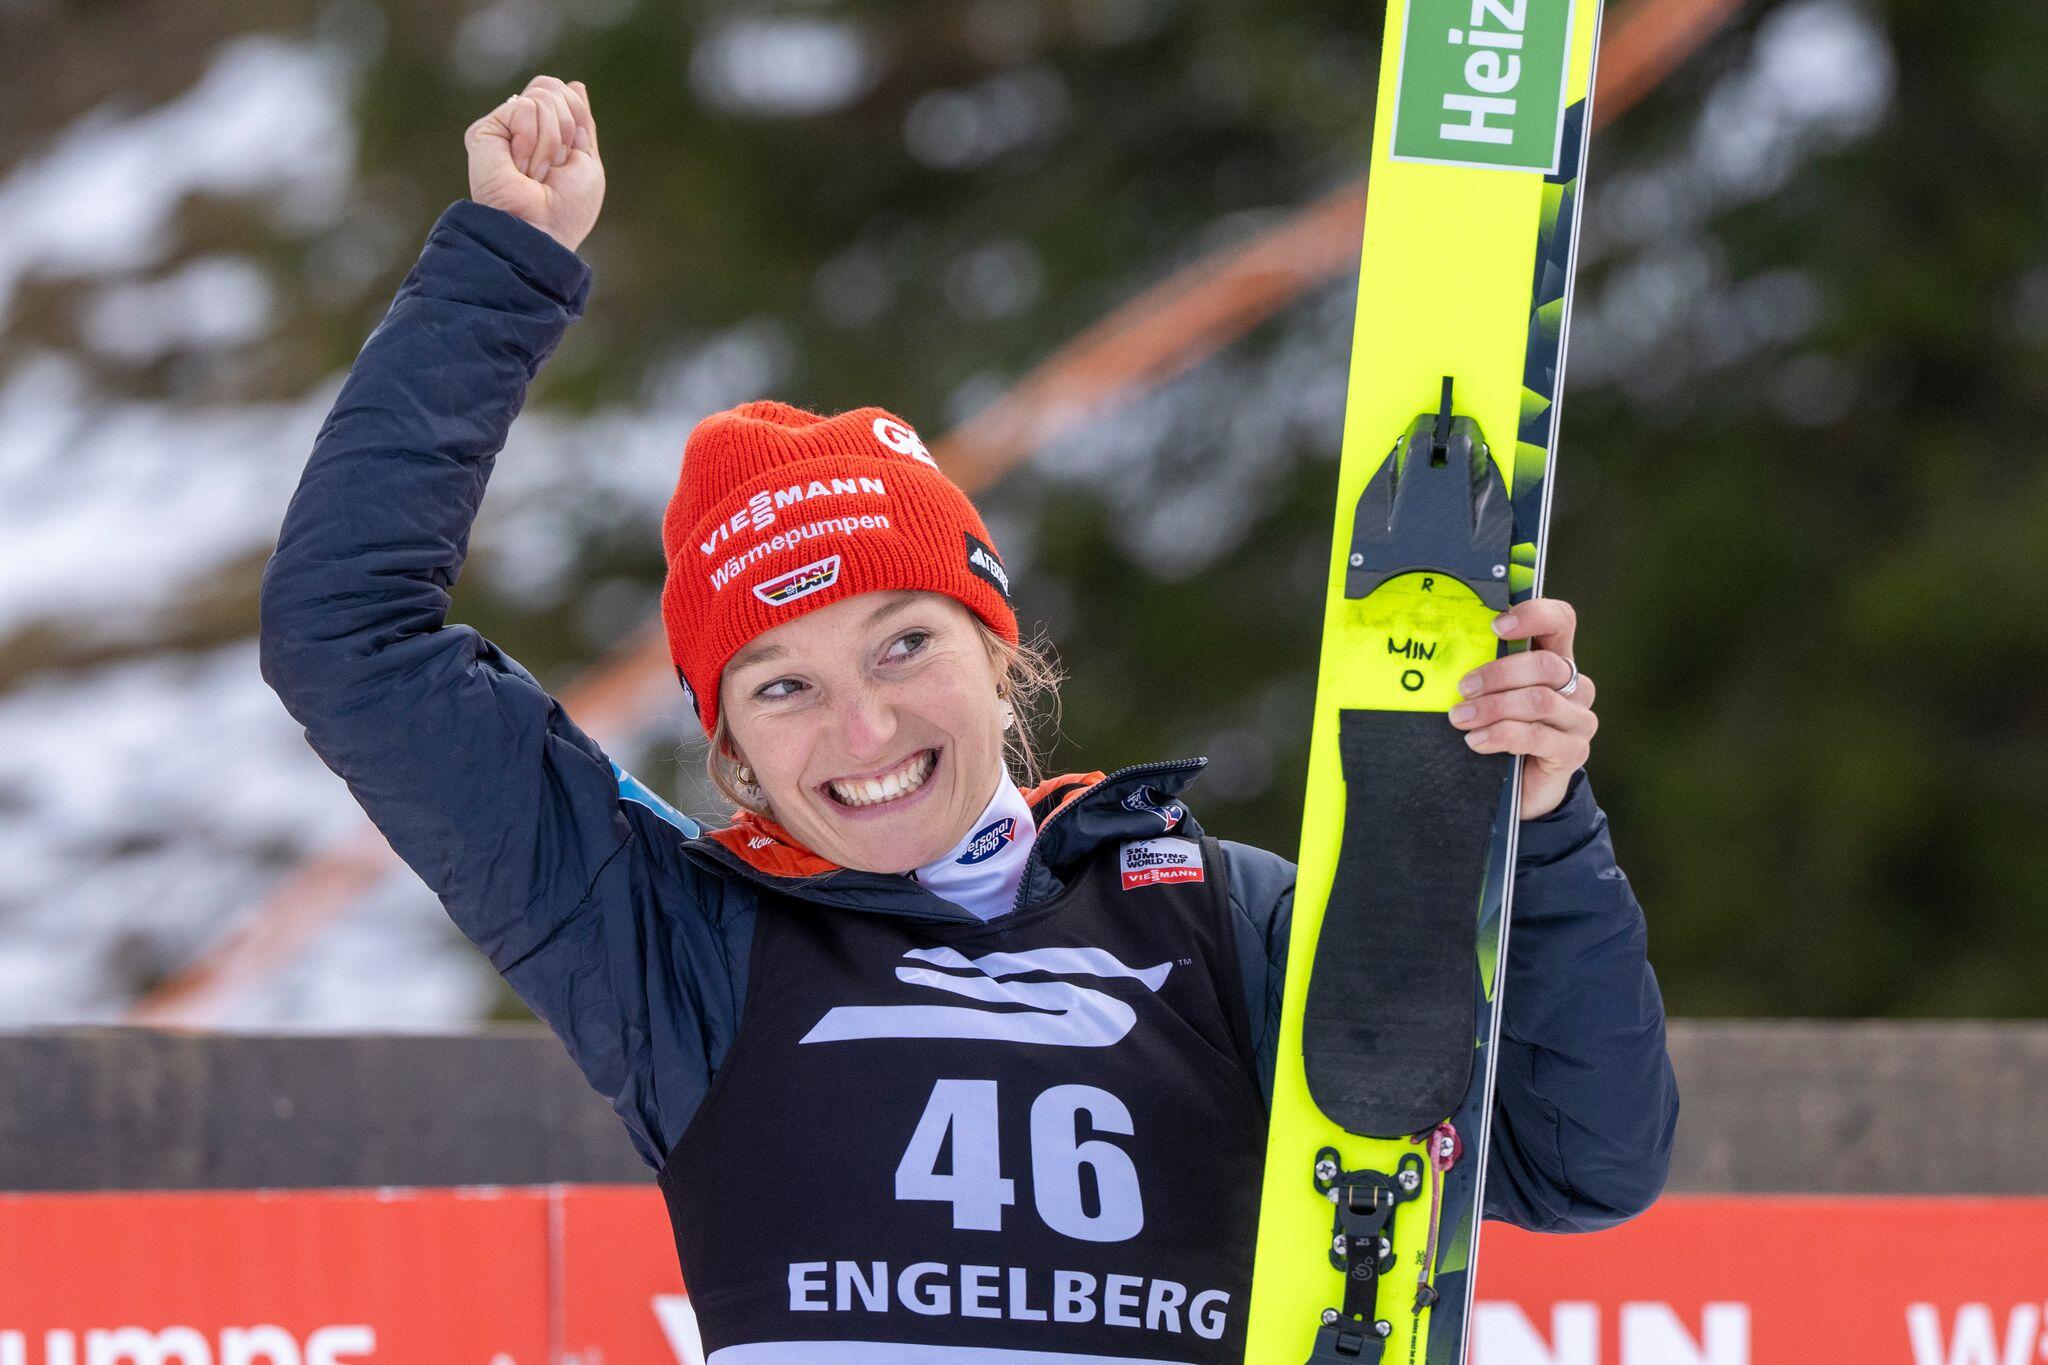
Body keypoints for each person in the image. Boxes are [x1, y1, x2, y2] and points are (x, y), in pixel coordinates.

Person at [259, 74, 1677, 1364]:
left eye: (904, 644)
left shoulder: (1222, 919)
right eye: (783, 686)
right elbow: (346, 639)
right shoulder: (675, 947)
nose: (864, 727)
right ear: (733, 753)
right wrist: (504, 265)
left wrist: (1541, 824)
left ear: (1001, 654)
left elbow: (1578, 1164)